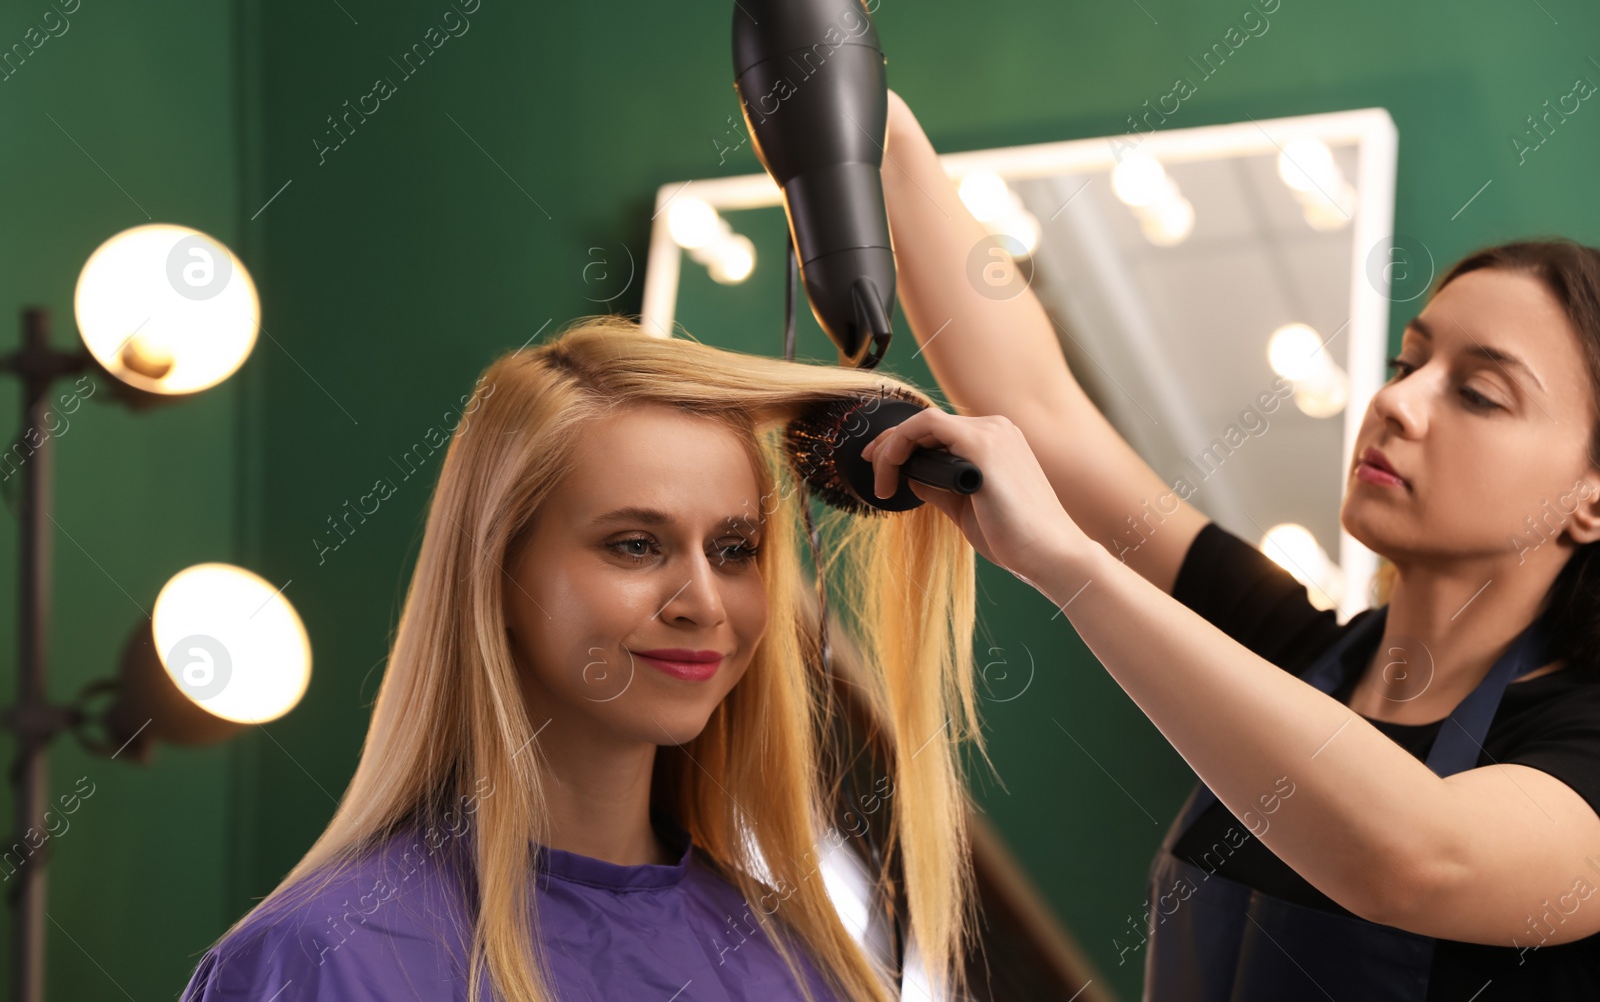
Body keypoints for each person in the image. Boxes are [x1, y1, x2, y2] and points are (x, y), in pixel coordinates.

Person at [863, 88, 1600, 999]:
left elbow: (1417, 857)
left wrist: (1071, 563)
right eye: (1409, 364)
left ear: (1592, 499)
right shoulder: (1297, 652)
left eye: (1480, 393)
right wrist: (884, 131)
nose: (1397, 402)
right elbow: (1044, 412)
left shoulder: (1583, 745)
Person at [176, 315, 989, 1002]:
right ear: (496, 572)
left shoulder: (801, 967)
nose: (703, 601)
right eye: (635, 545)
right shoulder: (322, 960)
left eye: (736, 549)